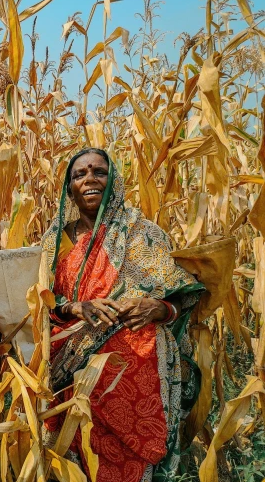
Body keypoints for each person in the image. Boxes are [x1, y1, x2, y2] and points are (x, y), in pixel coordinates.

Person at [42, 148, 206, 482]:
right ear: (68, 187)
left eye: (98, 172)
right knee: (77, 462)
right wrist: (74, 307)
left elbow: (181, 301)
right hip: (73, 380)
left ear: (113, 180)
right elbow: (36, 305)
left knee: (134, 465)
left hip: (138, 382)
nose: (89, 179)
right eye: (79, 174)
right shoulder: (53, 241)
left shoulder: (143, 233)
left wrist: (158, 307)